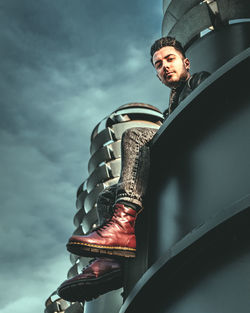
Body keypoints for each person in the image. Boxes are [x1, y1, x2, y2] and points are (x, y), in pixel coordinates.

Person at [57, 36, 210, 302]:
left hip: (193, 150)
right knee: (106, 196)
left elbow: (207, 114)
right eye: (158, 64)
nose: (165, 67)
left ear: (186, 62)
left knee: (135, 135)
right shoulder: (168, 109)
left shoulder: (198, 81)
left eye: (170, 60)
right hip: (169, 163)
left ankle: (122, 225)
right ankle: (111, 264)